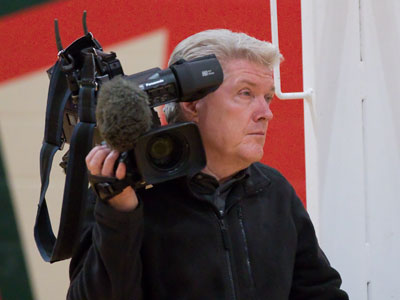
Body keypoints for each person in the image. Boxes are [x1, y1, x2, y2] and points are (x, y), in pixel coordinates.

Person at [67, 29, 348, 299]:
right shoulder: (125, 198)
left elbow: (319, 292)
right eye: (246, 93)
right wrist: (119, 214)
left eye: (268, 97)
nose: (266, 113)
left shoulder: (274, 191)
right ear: (192, 104)